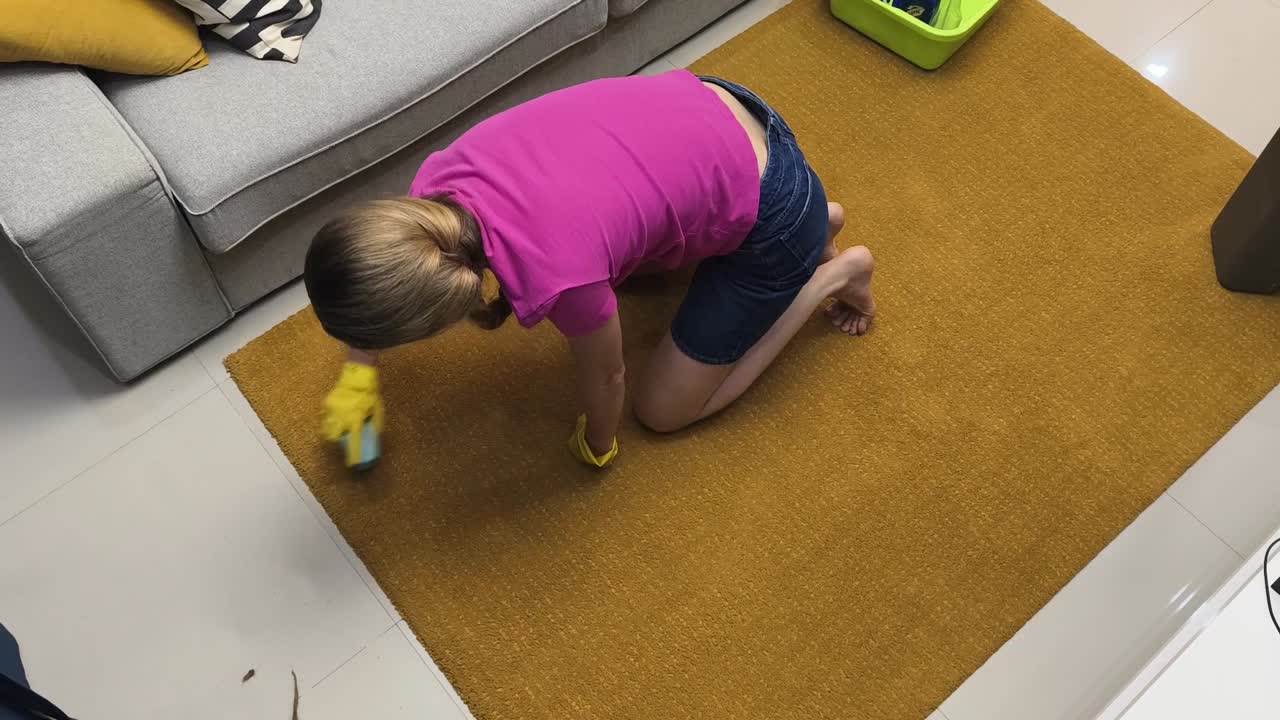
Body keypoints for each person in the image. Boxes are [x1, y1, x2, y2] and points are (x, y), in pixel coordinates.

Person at [305, 69, 876, 468]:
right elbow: (388, 264)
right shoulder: (434, 189)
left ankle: (831, 272)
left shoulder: (563, 281)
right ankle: (814, 223)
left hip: (773, 201)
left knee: (661, 410)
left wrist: (599, 438)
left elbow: (608, 377)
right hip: (725, 104)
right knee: (627, 251)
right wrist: (360, 366)